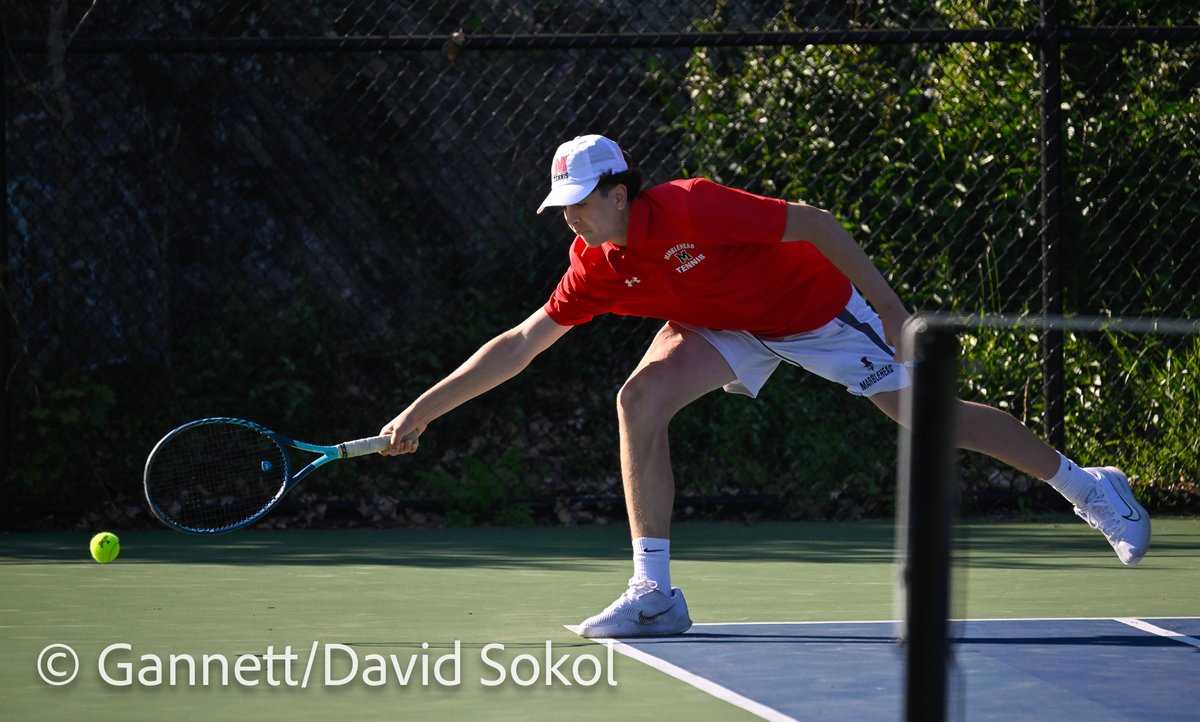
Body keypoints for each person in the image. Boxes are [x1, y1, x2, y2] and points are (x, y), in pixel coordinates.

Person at [379, 134, 1151, 638]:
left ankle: (1090, 487)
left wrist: (887, 307)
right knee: (638, 400)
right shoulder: (596, 266)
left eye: (582, 202)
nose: (573, 220)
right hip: (722, 326)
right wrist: (422, 410)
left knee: (924, 416)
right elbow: (519, 344)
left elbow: (815, 223)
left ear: (620, 190)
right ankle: (655, 593)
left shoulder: (690, 206)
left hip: (812, 312)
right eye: (564, 209)